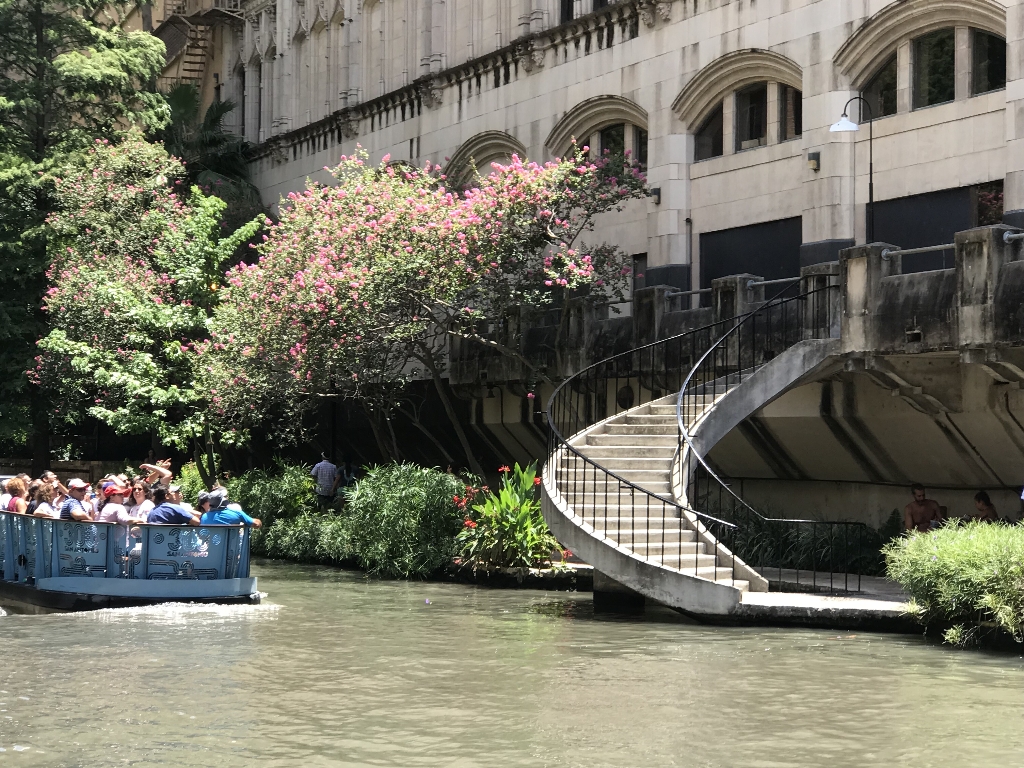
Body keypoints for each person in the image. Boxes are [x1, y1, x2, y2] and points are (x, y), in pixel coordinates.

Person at [198, 487, 262, 528]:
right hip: (234, 546)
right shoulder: (236, 512)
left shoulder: (204, 517)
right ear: (223, 500)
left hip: (212, 546)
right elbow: (256, 524)